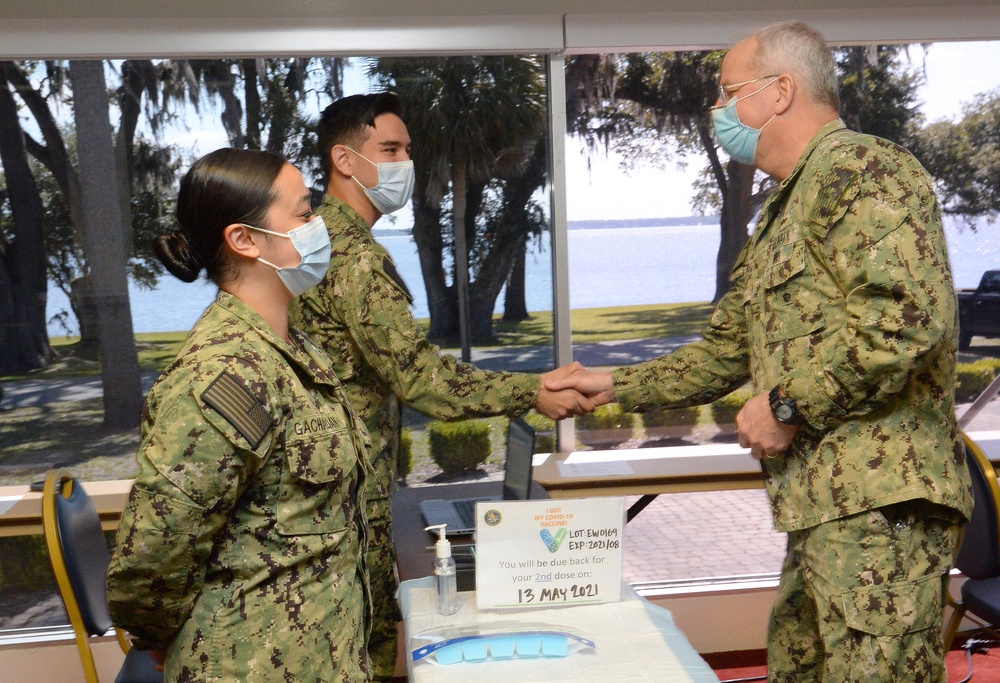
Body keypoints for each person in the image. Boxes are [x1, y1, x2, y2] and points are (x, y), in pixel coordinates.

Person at [546, 21, 973, 682]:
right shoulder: (785, 208)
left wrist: (784, 404)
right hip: (824, 510)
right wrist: (612, 384)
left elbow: (908, 322)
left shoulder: (864, 169)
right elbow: (725, 352)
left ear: (780, 92)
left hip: (881, 507)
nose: (716, 112)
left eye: (726, 93)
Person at [288, 92, 593, 679]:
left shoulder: (317, 242)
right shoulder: (351, 258)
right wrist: (530, 392)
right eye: (391, 149)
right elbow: (423, 380)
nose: (407, 162)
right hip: (345, 500)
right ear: (344, 160)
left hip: (334, 492)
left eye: (409, 149)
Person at [107, 148, 374, 682]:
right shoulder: (224, 374)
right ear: (245, 239)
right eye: (304, 214)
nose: (319, 226)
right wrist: (161, 640)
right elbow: (152, 557)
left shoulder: (292, 348)